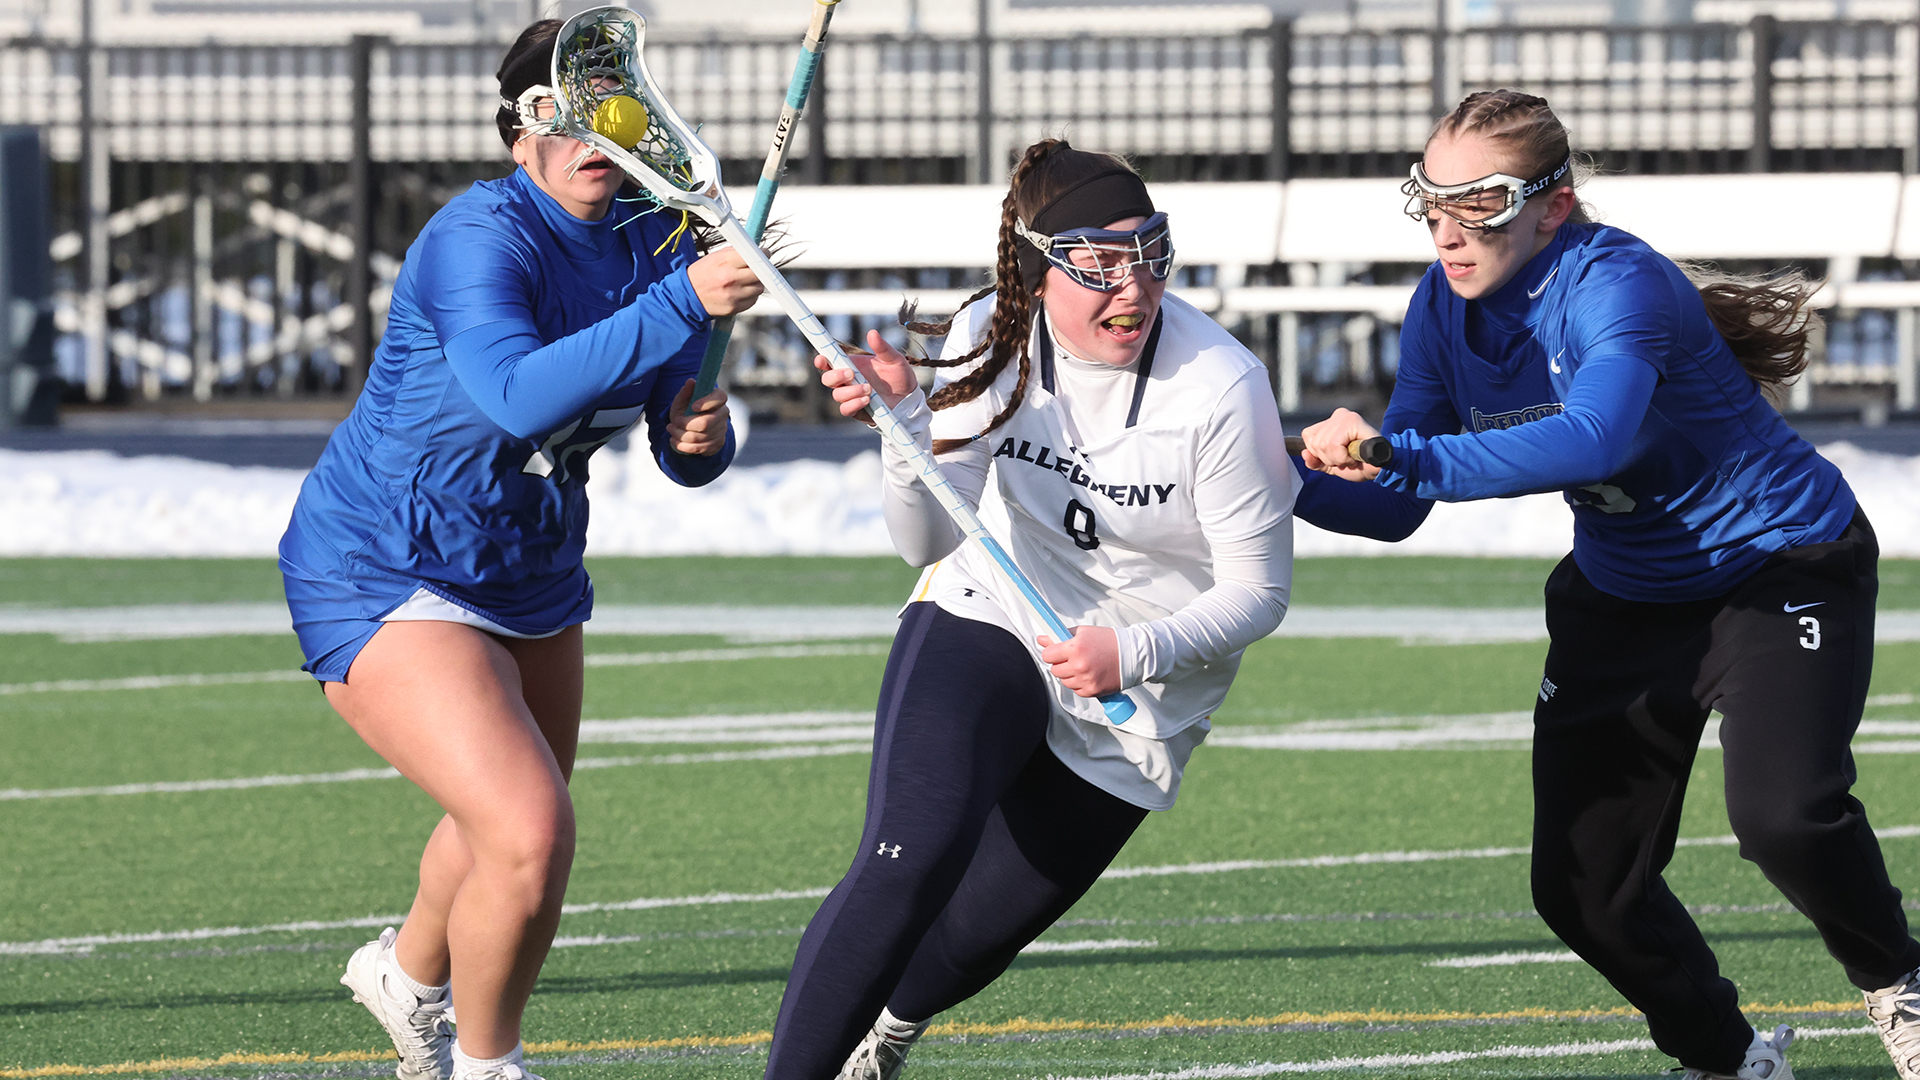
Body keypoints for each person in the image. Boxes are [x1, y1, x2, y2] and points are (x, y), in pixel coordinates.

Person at [1296, 88, 1920, 1080]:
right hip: (1625, 597)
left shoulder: (1615, 283)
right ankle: (1730, 1061)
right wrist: (1269, 479)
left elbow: (1595, 435)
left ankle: (1899, 981)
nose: (1449, 233)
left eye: (1482, 204)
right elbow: (1396, 506)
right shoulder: (1438, 307)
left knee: (1784, 816)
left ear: (1554, 202)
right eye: (1431, 202)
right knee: (1583, 887)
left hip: (1775, 566)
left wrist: (1388, 449)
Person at [277, 20, 763, 1080]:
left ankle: (408, 979)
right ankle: (485, 1066)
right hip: (384, 559)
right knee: (530, 831)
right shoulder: (475, 237)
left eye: (613, 111)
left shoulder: (658, 236)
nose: (596, 137)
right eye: (566, 115)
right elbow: (511, 396)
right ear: (520, 136)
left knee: (503, 815)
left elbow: (677, 441)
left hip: (531, 567)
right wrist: (683, 300)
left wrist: (700, 428)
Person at [759, 139, 1296, 1080]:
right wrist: (907, 431)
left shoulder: (1222, 387)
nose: (1133, 289)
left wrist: (1131, 652)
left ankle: (886, 1035)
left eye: (1150, 255)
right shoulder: (988, 334)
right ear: (1037, 267)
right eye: (1099, 264)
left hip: (1148, 678)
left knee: (971, 941)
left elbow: (1260, 591)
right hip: (996, 606)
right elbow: (927, 539)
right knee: (905, 857)